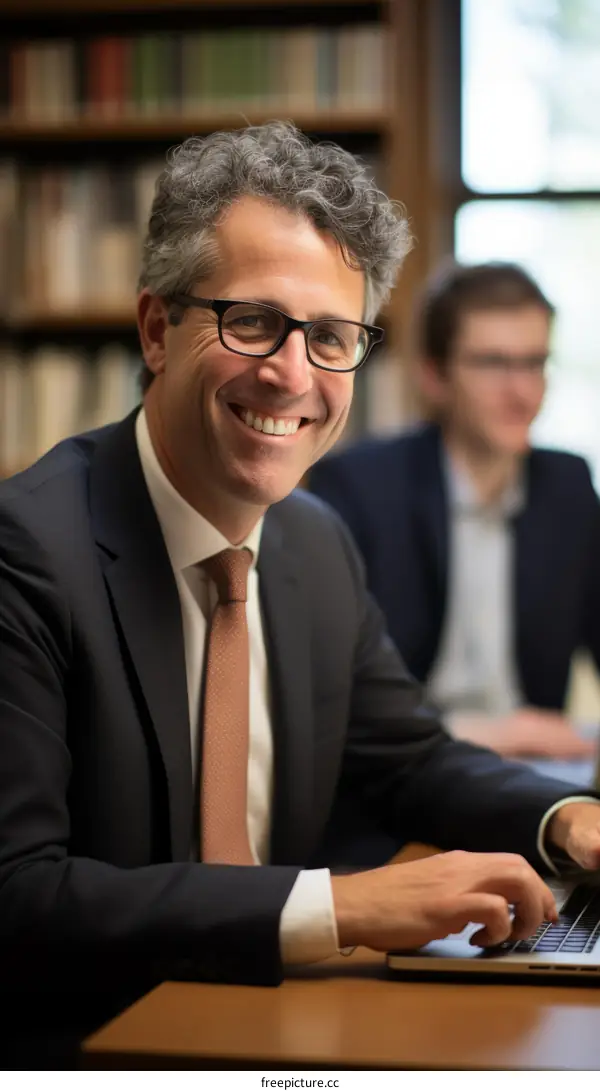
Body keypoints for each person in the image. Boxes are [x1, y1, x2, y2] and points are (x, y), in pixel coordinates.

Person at [2, 125, 600, 1067]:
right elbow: (19, 893)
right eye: (252, 321)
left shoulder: (314, 544)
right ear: (158, 330)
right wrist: (345, 905)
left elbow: (409, 760)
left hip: (274, 1028)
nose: (293, 374)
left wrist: (564, 819)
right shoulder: (28, 550)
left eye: (330, 336)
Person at [310, 259, 600, 760]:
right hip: (405, 768)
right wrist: (493, 733)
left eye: (535, 362)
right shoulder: (361, 486)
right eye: (493, 363)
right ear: (434, 375)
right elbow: (333, 694)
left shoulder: (568, 486)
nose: (523, 391)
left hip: (534, 777)